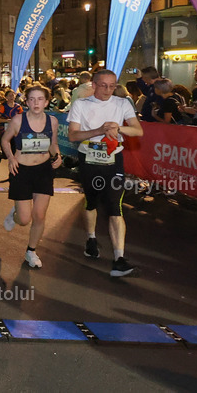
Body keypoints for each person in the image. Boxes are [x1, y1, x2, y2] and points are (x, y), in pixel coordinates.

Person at [67, 69, 144, 277]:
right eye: (103, 85)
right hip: (88, 159)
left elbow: (138, 130)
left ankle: (119, 258)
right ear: (93, 84)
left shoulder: (122, 104)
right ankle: (91, 238)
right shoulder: (81, 105)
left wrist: (118, 128)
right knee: (91, 202)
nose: (108, 90)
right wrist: (99, 130)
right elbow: (73, 135)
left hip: (114, 160)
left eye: (112, 86)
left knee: (115, 206)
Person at [0, 85, 63, 268]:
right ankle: (16, 214)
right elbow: (5, 140)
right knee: (25, 220)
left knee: (40, 215)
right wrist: (11, 158)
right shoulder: (18, 120)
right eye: (32, 99)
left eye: (40, 99)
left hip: (43, 170)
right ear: (26, 102)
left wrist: (57, 156)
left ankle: (31, 251)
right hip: (21, 170)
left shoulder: (52, 121)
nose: (36, 103)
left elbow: (53, 144)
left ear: (46, 101)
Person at [0, 90, 24, 164]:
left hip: (15, 131)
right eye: (9, 95)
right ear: (6, 97)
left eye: (13, 95)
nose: (12, 97)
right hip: (4, 130)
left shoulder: (18, 107)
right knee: (6, 153)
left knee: (13, 152)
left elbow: (23, 117)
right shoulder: (3, 106)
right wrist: (7, 120)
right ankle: (1, 155)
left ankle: (13, 171)